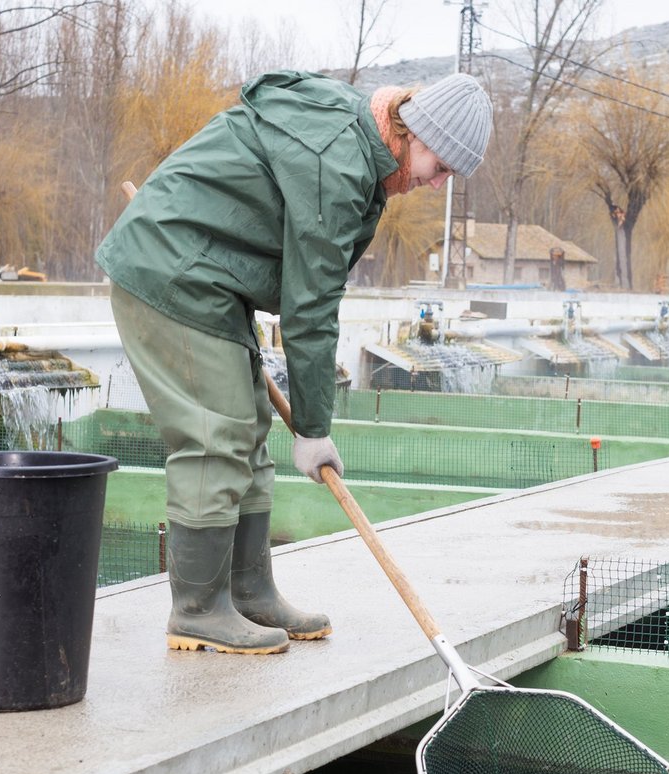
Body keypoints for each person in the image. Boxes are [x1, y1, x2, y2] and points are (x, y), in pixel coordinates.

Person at [96, 71, 493, 655]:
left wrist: (307, 424)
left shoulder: (360, 136)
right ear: (416, 133)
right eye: (442, 166)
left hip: (212, 276)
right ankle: (198, 611)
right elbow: (310, 307)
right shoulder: (340, 167)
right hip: (171, 271)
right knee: (217, 436)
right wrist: (313, 429)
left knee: (250, 434)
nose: (438, 183)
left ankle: (250, 592)